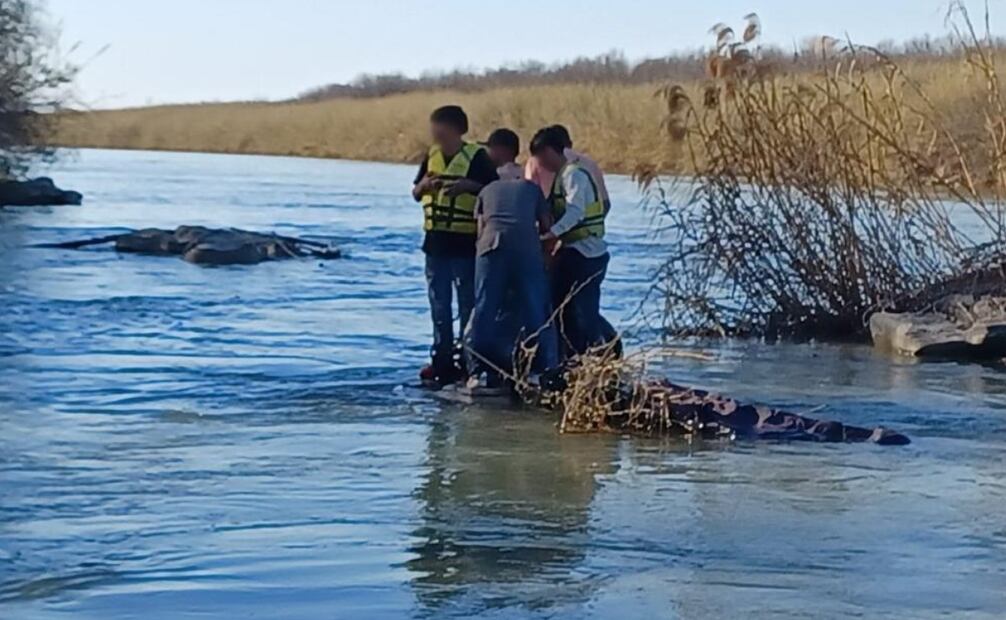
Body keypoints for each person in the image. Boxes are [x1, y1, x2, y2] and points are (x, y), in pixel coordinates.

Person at [413, 105, 499, 385]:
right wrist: (424, 185)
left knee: (467, 306)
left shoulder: (477, 157)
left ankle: (467, 361)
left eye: (440, 127)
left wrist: (468, 187)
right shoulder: (432, 155)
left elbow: (494, 191)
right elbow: (415, 192)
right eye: (433, 127)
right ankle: (441, 360)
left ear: (456, 129)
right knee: (439, 305)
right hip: (435, 243)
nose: (435, 133)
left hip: (465, 244)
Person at [464, 176, 559, 391]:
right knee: (535, 308)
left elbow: (480, 230)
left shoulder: (487, 189)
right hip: (525, 248)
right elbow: (547, 225)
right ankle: (542, 371)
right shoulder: (532, 189)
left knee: (484, 309)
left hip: (490, 246)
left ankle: (477, 372)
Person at [531, 127, 610, 357]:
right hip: (572, 251)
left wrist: (552, 234)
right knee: (562, 307)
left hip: (587, 253)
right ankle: (572, 357)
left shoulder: (573, 175)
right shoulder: (562, 176)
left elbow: (576, 212)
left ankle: (595, 358)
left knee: (584, 311)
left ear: (548, 151)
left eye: (541, 158)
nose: (541, 165)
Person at [524, 124, 611, 214]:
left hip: (555, 217)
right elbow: (605, 203)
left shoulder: (536, 160)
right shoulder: (590, 163)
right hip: (592, 217)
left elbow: (527, 195)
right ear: (570, 144)